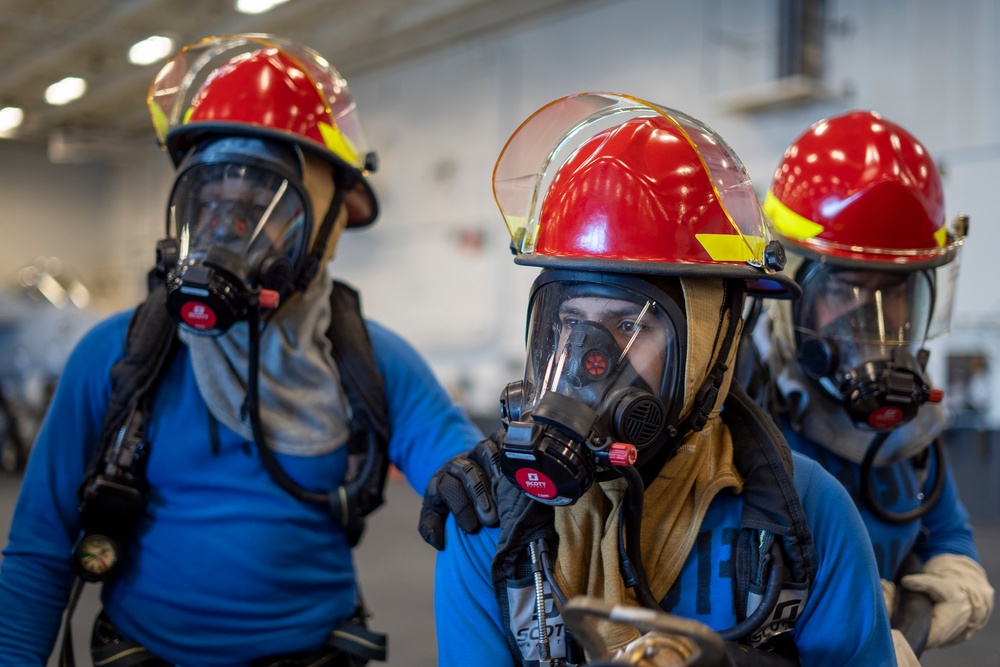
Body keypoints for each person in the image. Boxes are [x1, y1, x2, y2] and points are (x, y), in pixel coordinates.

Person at [0, 34, 483, 667]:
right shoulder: (116, 356)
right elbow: (38, 552)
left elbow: (473, 489)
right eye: (212, 200)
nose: (228, 230)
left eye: (262, 204)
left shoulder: (372, 360)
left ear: (332, 221)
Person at [423, 93, 895, 666]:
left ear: (712, 344)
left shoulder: (809, 514)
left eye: (629, 325)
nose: (587, 362)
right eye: (569, 323)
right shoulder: (490, 523)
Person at [743, 110, 994, 664]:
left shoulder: (912, 432)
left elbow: (947, 535)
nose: (873, 324)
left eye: (895, 293)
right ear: (790, 290)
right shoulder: (739, 416)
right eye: (846, 290)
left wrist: (943, 593)